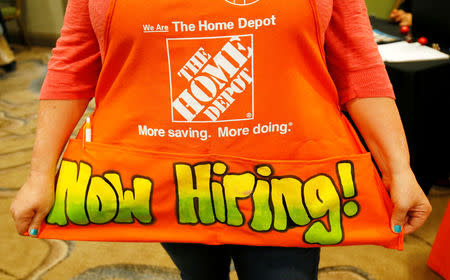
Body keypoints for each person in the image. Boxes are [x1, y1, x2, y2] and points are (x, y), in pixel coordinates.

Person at [10, 0, 432, 279]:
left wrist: (399, 169)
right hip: (163, 182)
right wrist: (39, 174)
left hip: (292, 186)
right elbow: (72, 66)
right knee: (197, 274)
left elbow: (358, 66)